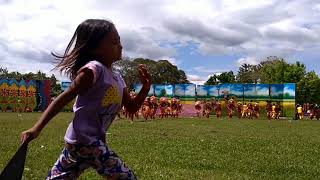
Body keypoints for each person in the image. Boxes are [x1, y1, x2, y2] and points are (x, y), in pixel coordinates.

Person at [20, 19, 151, 180]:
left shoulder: (117, 78)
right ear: (95, 48)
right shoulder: (93, 70)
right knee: (126, 177)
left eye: (119, 41)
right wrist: (36, 128)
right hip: (87, 142)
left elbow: (131, 107)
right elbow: (63, 99)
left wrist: (145, 88)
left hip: (80, 142)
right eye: (115, 42)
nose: (121, 46)